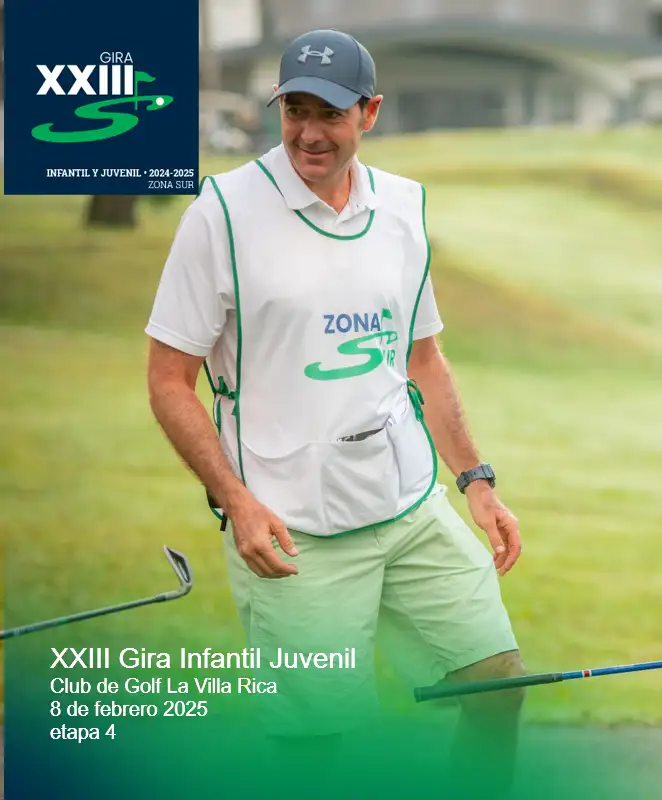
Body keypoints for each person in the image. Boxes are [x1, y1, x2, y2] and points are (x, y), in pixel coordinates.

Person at [144, 28, 526, 794]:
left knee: (498, 686)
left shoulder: (403, 208)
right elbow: (167, 381)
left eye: (331, 113)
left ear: (370, 113)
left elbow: (423, 359)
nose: (310, 133)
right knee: (315, 753)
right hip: (293, 531)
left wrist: (476, 481)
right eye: (296, 110)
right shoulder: (221, 214)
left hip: (407, 509)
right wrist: (237, 503)